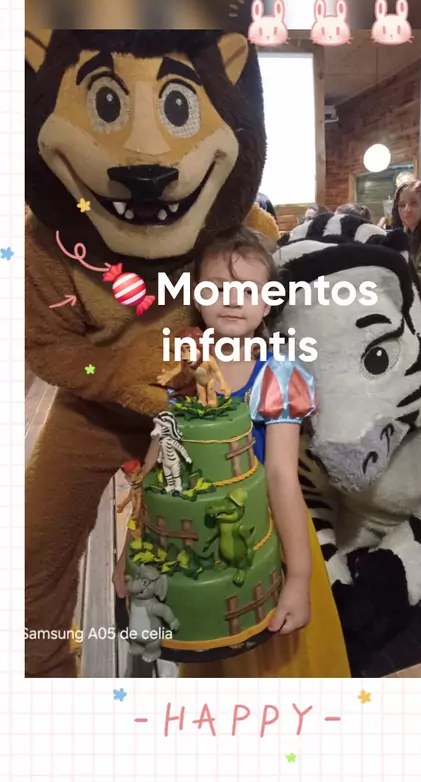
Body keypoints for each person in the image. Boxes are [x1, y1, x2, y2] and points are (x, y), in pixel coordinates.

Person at [113, 226, 350, 677]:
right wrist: (131, 551)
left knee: (279, 673)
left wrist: (299, 577)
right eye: (217, 288)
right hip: (196, 550)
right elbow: (155, 472)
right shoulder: (184, 374)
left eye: (248, 290)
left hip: (266, 541)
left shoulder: (277, 375)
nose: (232, 300)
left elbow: (280, 476)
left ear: (268, 302)